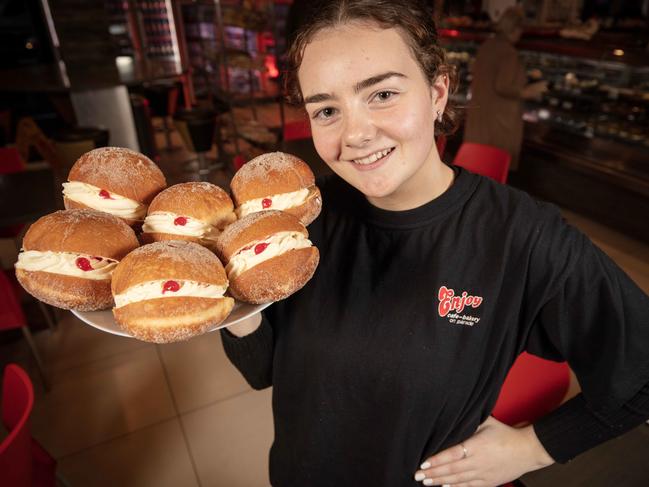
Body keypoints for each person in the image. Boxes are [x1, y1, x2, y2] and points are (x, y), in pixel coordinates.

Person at [220, 1, 649, 486]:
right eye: (326, 109)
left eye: (382, 93)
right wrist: (232, 284)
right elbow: (263, 371)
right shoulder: (301, 216)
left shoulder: (523, 238)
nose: (355, 134)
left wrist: (533, 448)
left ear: (438, 91)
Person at [463, 6, 548, 171]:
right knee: (493, 170)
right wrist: (529, 91)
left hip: (479, 116)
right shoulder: (509, 53)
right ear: (515, 29)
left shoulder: (487, 45)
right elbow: (503, 86)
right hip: (500, 122)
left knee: (476, 167)